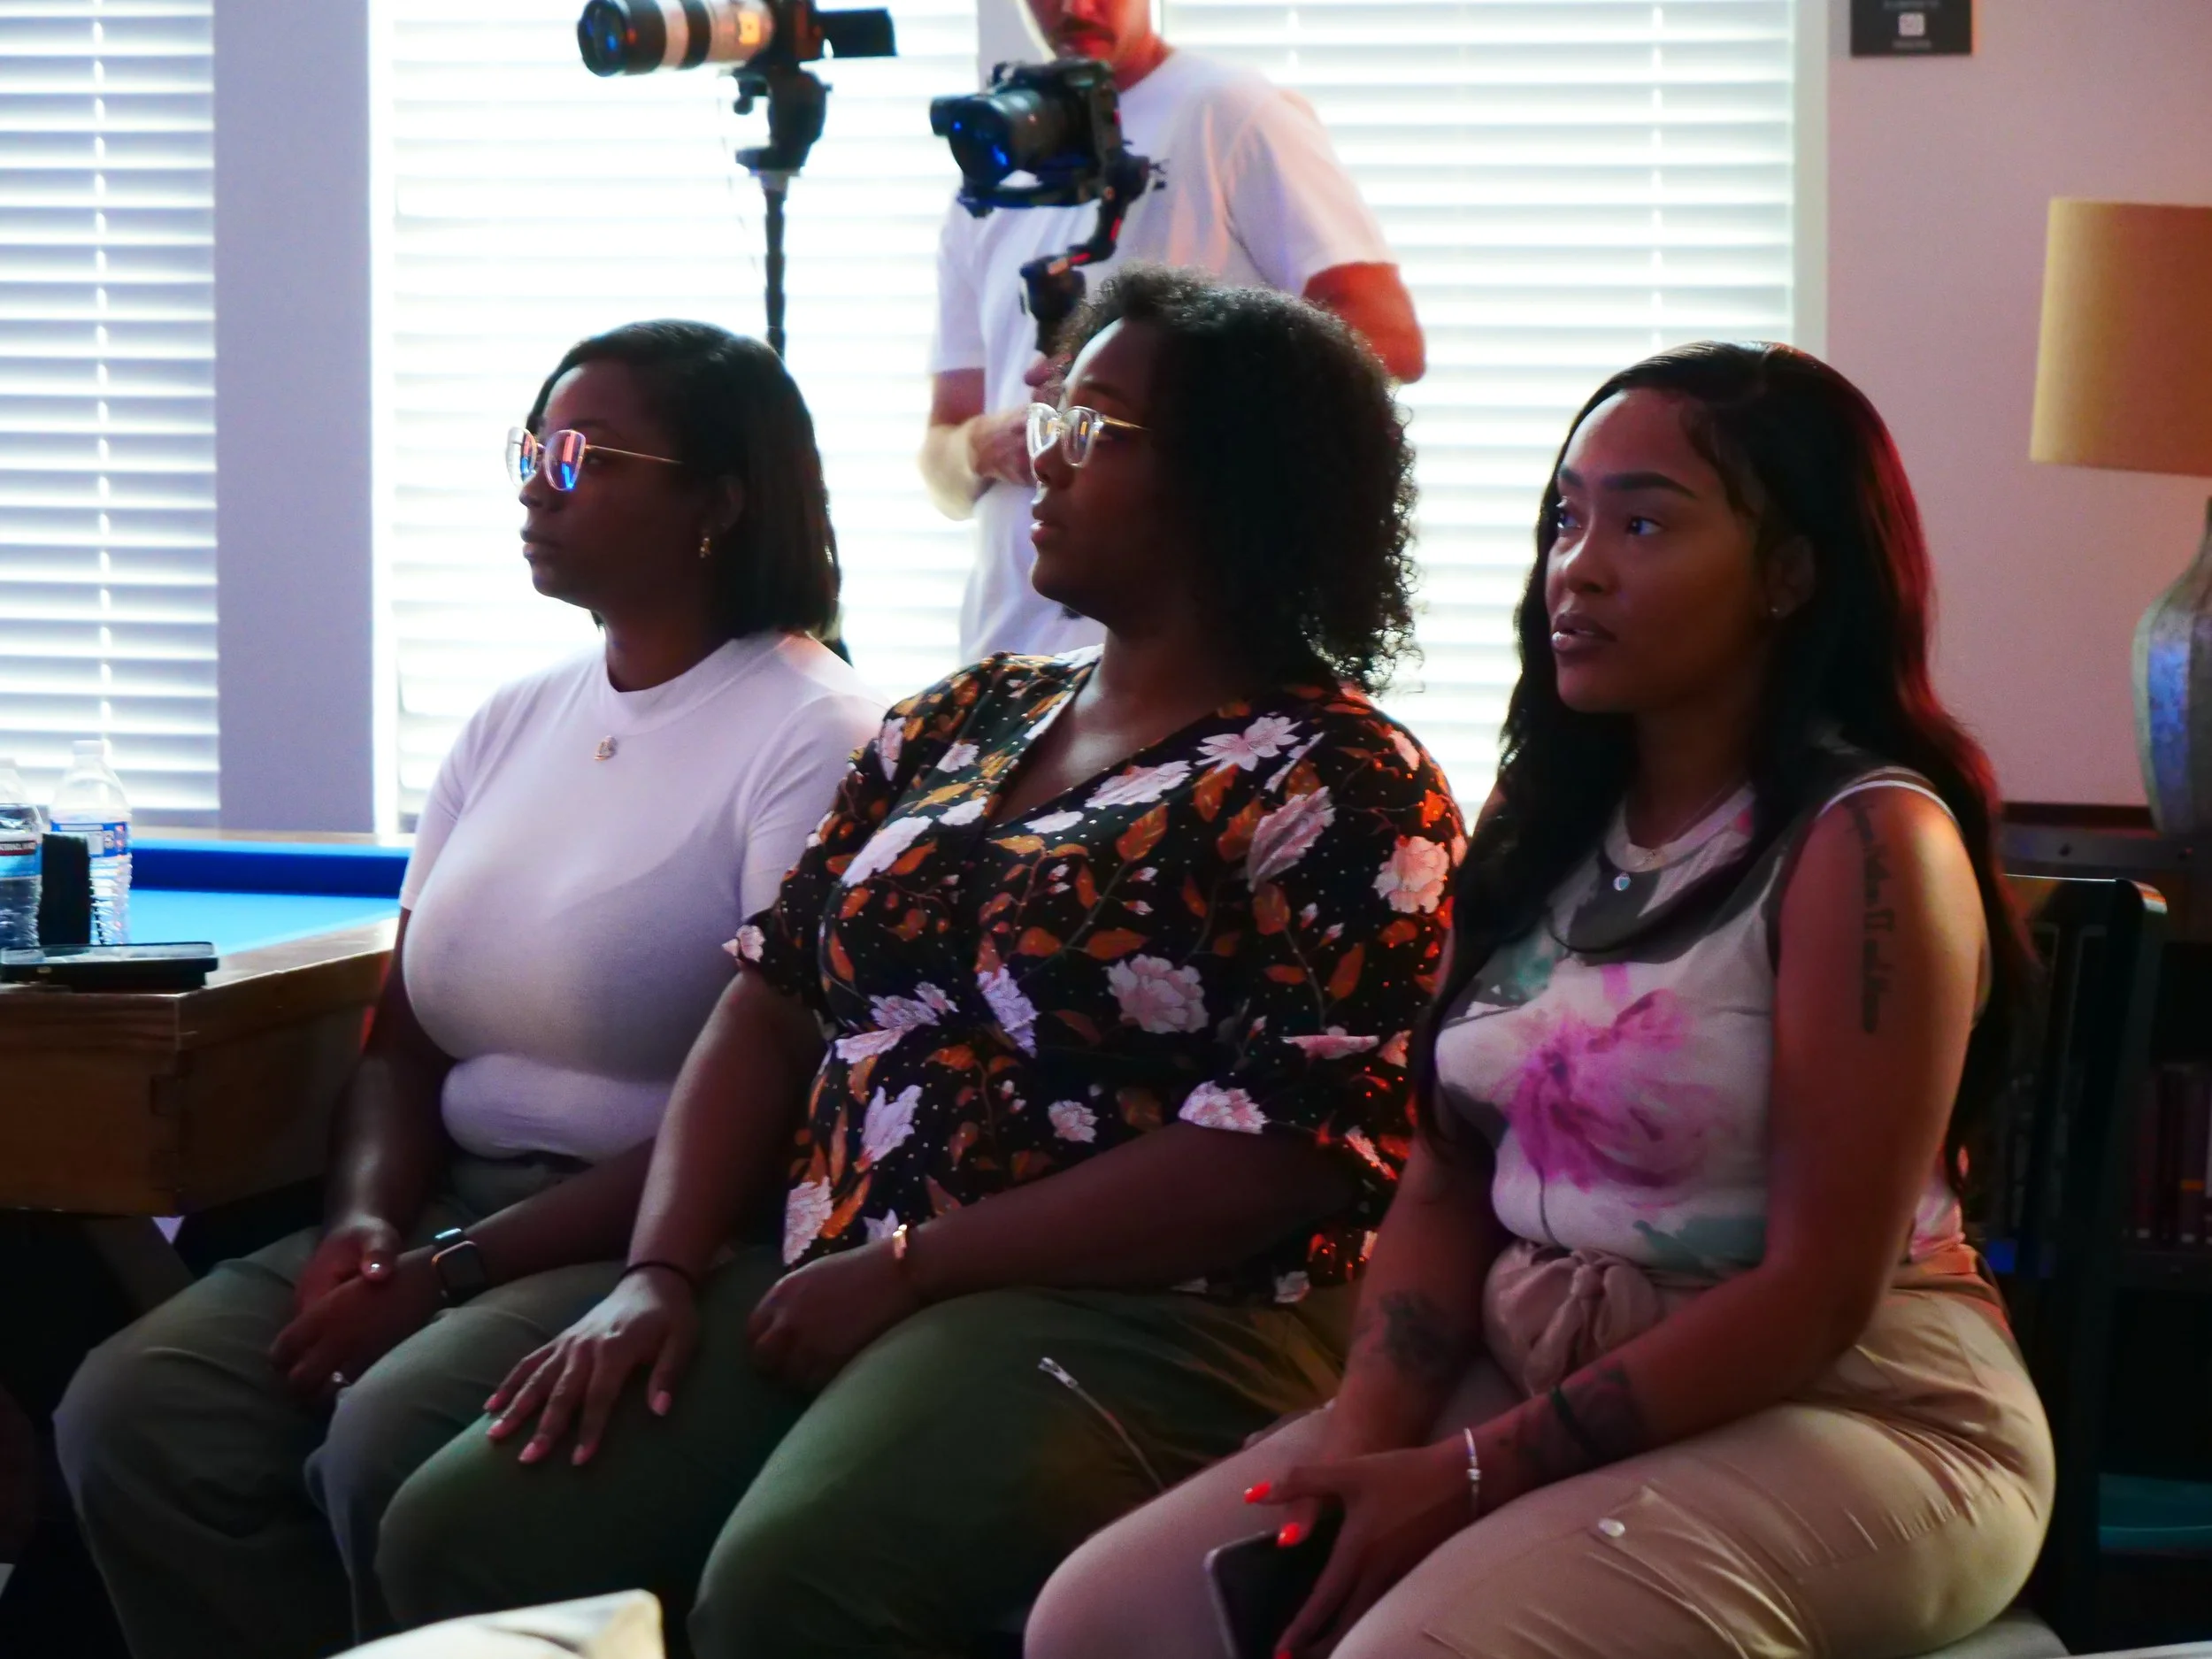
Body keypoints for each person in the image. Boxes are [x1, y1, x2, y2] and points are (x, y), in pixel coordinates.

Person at [371, 267, 1463, 1659]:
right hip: (836, 1258)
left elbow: (1283, 1152)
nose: (1034, 453)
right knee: (463, 1523)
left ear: (1231, 479)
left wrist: (912, 1266)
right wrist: (657, 1267)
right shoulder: (959, 720)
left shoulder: (1345, 782)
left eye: (1090, 429)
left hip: (1146, 1303)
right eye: (1045, 411)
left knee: (793, 1581)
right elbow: (767, 1006)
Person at [1025, 342, 2056, 1659]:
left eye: (1642, 521)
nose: (1579, 566)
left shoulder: (1865, 842)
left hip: (1857, 1406)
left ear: (1792, 574)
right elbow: (1444, 1183)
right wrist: (1362, 1442)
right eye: (1563, 519)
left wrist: (1465, 1474)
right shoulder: (1539, 826)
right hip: (1533, 1364)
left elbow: (1816, 1291)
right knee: (1101, 1622)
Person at [54, 320, 884, 1659]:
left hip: (652, 1229)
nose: (535, 483)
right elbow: (403, 1035)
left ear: (718, 504)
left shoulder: (816, 732)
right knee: (133, 1408)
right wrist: (369, 1221)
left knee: (386, 1429)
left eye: (584, 455)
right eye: (532, 446)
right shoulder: (512, 715)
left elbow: (786, 1093)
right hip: (444, 1200)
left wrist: (450, 1269)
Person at [919, 0, 1425, 664]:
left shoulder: (1231, 111)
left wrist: (1152, 396)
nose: (1074, 7)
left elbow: (1387, 338)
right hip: (1009, 655)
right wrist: (988, 445)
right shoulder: (993, 156)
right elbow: (940, 460)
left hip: (1192, 659)